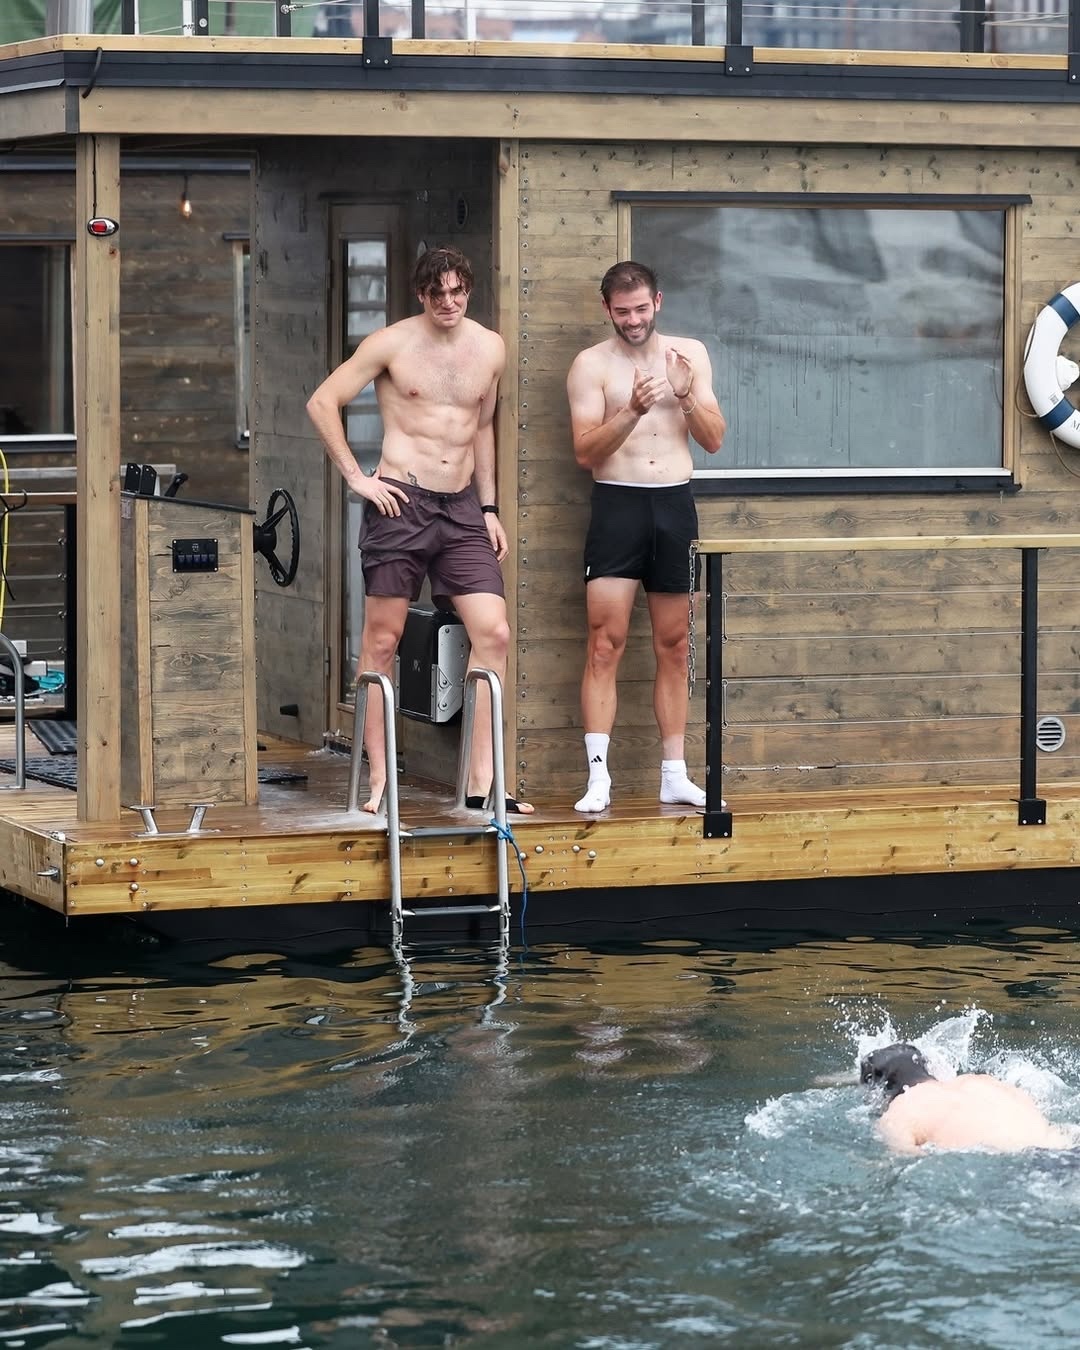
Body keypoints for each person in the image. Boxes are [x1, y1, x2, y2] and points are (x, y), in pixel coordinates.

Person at [306, 245, 531, 816]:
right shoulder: (391, 343)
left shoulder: (491, 347)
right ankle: (381, 778)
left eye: (457, 291)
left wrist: (489, 507)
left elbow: (482, 426)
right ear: (421, 295)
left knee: (494, 633)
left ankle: (482, 782)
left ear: (469, 290)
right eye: (437, 293)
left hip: (461, 509)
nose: (448, 302)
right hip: (400, 504)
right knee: (382, 641)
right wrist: (357, 477)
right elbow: (322, 402)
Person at [566, 260, 727, 814]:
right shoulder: (591, 365)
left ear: (657, 301)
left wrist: (685, 396)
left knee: (676, 645)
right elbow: (585, 452)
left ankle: (674, 775)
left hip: (674, 505)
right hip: (618, 505)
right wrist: (632, 409)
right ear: (607, 309)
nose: (633, 320)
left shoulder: (689, 354)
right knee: (604, 642)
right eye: (622, 311)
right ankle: (598, 777)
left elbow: (714, 440)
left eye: (640, 308)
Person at [861, 1042, 1072, 1154]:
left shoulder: (900, 1111)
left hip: (1021, 1166)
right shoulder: (978, 1081)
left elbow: (905, 1158)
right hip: (1065, 1148)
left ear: (879, 1089)